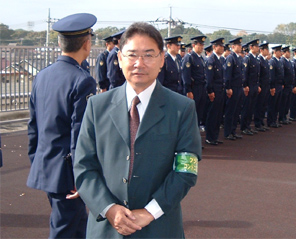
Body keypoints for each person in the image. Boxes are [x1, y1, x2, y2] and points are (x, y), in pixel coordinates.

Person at [73, 22, 202, 238]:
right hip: (107, 227)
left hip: (159, 226)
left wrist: (149, 212)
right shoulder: (97, 106)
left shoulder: (182, 109)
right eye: (132, 55)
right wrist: (109, 209)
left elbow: (186, 170)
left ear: (162, 59)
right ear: (120, 59)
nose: (139, 63)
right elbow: (83, 167)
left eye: (149, 55)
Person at [26, 13, 97, 238]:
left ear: (59, 43)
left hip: (48, 165)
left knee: (77, 226)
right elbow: (80, 135)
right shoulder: (82, 80)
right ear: (87, 43)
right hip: (67, 173)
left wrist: (37, 160)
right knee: (65, 228)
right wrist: (81, 176)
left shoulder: (43, 75)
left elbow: (33, 125)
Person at [182, 35, 207, 130]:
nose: (202, 47)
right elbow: (186, 76)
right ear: (193, 45)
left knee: (199, 114)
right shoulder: (189, 58)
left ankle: (196, 139)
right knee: (192, 115)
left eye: (202, 45)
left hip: (201, 88)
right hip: (194, 89)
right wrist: (188, 91)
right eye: (199, 45)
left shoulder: (200, 58)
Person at [204, 38, 225, 145]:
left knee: (218, 115)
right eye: (219, 46)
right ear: (214, 47)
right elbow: (209, 79)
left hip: (220, 91)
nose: (222, 48)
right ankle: (210, 137)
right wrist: (210, 91)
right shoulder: (211, 60)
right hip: (214, 92)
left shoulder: (220, 60)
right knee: (212, 115)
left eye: (222, 46)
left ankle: (215, 136)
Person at [224, 37, 244, 140]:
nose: (240, 47)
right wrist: (228, 88)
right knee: (230, 111)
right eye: (238, 45)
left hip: (239, 87)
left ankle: (233, 130)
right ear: (233, 47)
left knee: (236, 111)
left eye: (240, 45)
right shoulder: (230, 58)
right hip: (233, 88)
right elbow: (228, 75)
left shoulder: (239, 58)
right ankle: (227, 132)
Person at [240, 39, 261, 135]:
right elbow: (245, 74)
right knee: (246, 107)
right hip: (248, 87)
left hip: (254, 86)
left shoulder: (256, 59)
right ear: (251, 47)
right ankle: (244, 127)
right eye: (256, 46)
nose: (258, 48)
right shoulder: (247, 58)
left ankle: (248, 126)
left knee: (251, 107)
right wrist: (245, 86)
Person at [254, 42, 271, 131]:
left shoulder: (265, 60)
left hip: (266, 86)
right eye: (266, 49)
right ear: (262, 50)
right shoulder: (259, 60)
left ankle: (261, 122)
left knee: (264, 105)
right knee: (259, 105)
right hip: (261, 86)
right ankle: (257, 123)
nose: (268, 51)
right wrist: (259, 85)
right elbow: (258, 75)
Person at [267, 45, 284, 128]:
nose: (281, 53)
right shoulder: (272, 61)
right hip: (275, 86)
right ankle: (270, 121)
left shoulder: (279, 61)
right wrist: (272, 87)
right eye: (279, 51)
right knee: (272, 104)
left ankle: (274, 120)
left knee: (277, 105)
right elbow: (272, 76)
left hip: (279, 85)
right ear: (275, 52)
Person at [279, 46, 295, 125]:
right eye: (288, 52)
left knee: (287, 102)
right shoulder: (282, 61)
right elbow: (282, 74)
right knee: (283, 102)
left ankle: (284, 117)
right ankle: (281, 118)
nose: (290, 54)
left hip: (289, 85)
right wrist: (283, 83)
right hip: (285, 85)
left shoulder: (288, 61)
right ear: (284, 53)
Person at [290, 46, 296, 121]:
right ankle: (293, 115)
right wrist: (293, 85)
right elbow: (293, 75)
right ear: (295, 53)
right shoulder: (293, 62)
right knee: (294, 100)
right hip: (295, 84)